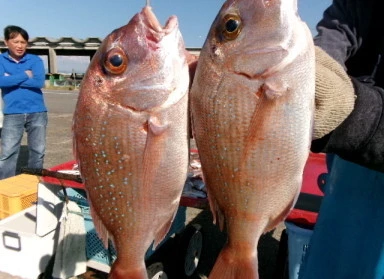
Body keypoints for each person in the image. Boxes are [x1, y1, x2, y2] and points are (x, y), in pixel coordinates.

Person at [298, 0, 384, 278]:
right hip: (346, 166)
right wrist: (318, 69)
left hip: (361, 133)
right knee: (332, 258)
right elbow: (338, 30)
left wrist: (352, 113)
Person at [0, 25, 48, 179]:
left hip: (37, 111)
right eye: (16, 42)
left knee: (37, 151)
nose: (20, 46)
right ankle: (5, 186)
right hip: (13, 113)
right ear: (6, 42)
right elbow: (1, 82)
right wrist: (25, 75)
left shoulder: (34, 60)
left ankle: (33, 183)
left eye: (23, 42)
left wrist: (10, 78)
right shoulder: (1, 60)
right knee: (8, 153)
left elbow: (39, 82)